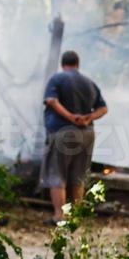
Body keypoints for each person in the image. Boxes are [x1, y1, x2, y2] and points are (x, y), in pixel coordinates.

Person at [41, 50, 108, 224]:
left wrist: (71, 117)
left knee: (57, 174)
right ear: (77, 63)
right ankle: (76, 216)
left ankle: (59, 216)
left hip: (63, 131)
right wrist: (87, 118)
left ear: (63, 64)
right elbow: (103, 109)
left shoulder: (57, 79)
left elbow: (52, 101)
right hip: (87, 133)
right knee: (78, 175)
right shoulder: (89, 83)